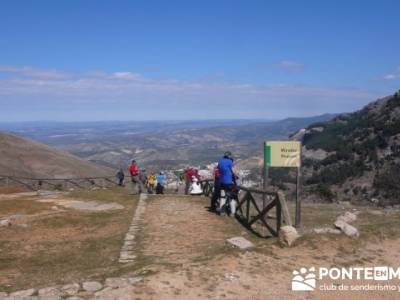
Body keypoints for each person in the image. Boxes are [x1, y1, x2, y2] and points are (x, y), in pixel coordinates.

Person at [217, 151, 237, 216]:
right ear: (229, 156)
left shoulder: (220, 162)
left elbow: (219, 170)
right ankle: (232, 213)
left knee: (222, 197)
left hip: (221, 182)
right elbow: (234, 171)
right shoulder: (230, 162)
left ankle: (222, 212)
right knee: (232, 197)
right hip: (229, 182)